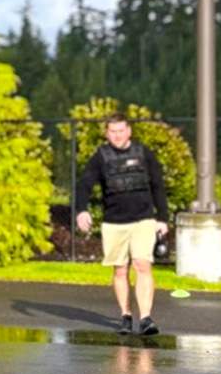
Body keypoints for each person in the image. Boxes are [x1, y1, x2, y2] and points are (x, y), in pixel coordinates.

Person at [72, 113, 170, 335]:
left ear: (129, 131)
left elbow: (158, 186)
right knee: (120, 269)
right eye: (112, 131)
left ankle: (145, 318)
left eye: (121, 130)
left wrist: (162, 218)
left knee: (142, 264)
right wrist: (81, 210)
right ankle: (125, 315)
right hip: (114, 222)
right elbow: (84, 184)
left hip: (143, 219)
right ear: (107, 133)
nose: (117, 135)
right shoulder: (101, 156)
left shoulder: (143, 153)